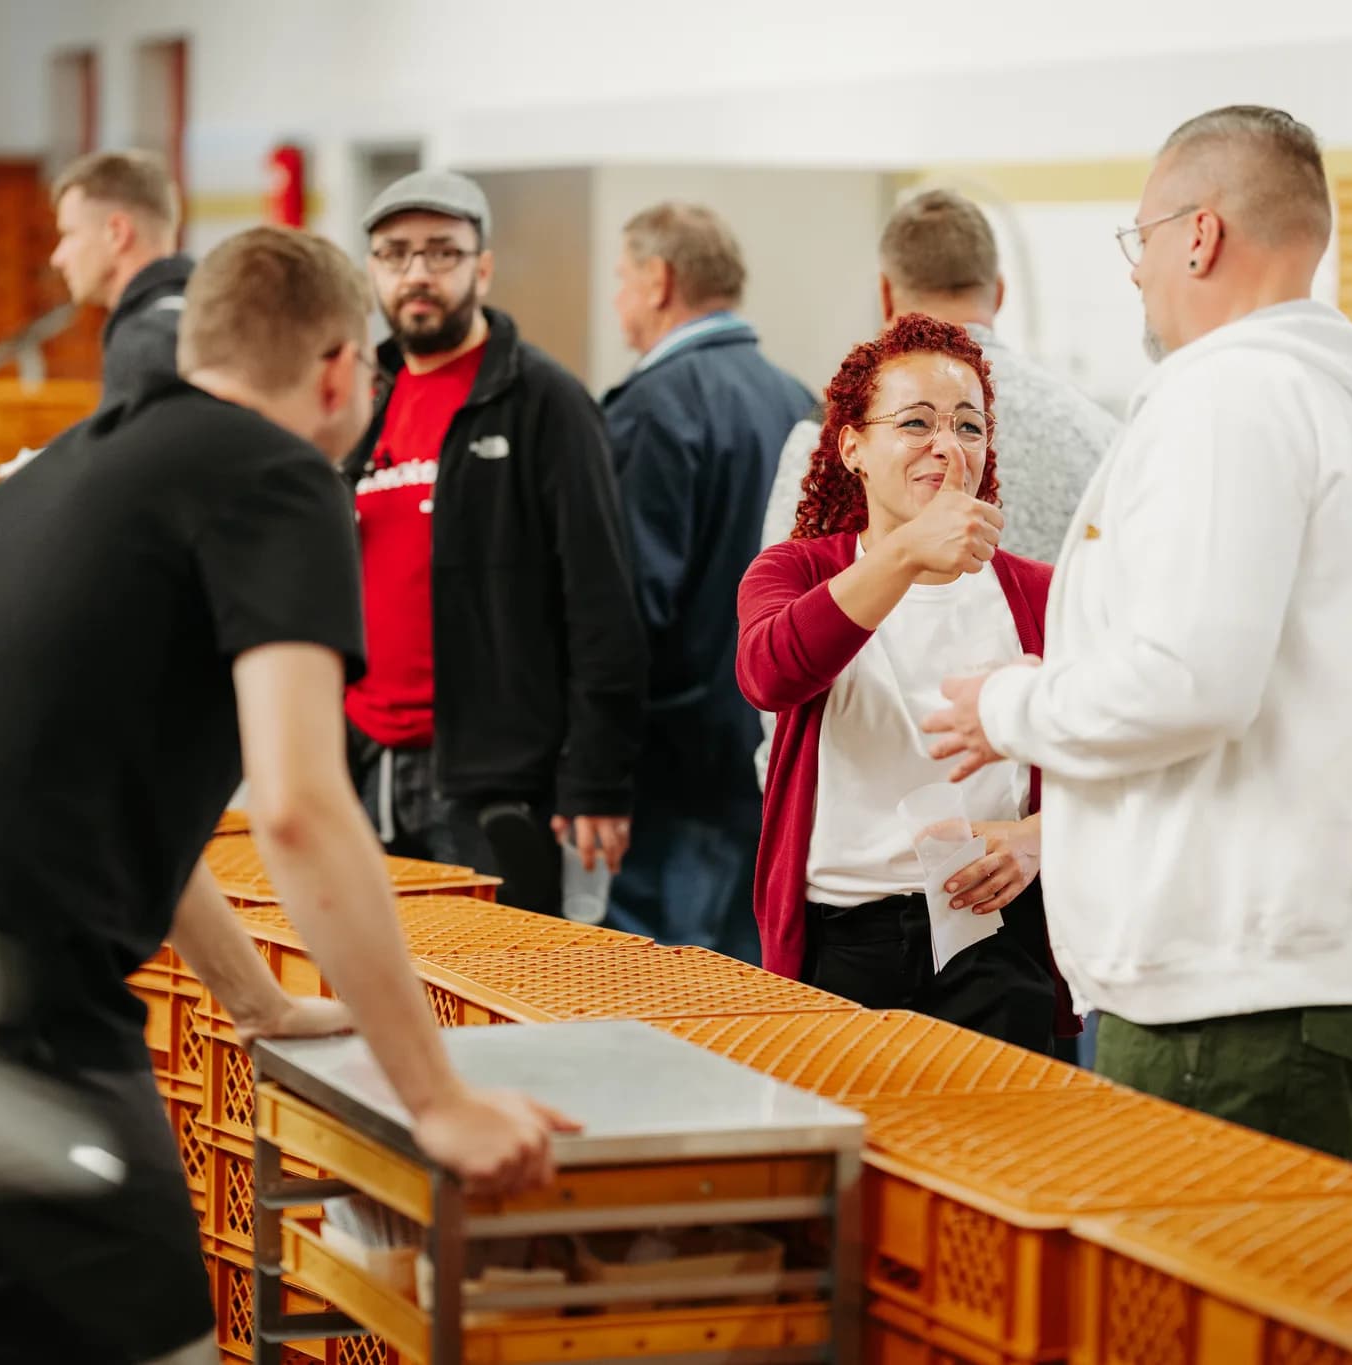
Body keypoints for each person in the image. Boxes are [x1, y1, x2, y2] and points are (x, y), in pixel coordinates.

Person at [0, 226, 575, 1364]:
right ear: (334, 370)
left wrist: (257, 1004)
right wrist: (439, 1103)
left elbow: (111, 805)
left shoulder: (75, 468)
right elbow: (302, 807)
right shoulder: (278, 475)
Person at [923, 105, 1352, 1187]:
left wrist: (1008, 704)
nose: (1135, 272)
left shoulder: (1226, 398)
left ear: (1198, 236)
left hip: (1254, 994)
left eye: (1140, 238)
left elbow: (1188, 680)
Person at [737, 315, 1058, 1054]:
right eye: (916, 422)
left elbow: (1128, 760)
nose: (948, 446)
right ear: (852, 446)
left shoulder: (1039, 594)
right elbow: (769, 673)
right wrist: (908, 550)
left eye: (969, 426)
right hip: (841, 943)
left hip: (995, 937)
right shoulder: (796, 571)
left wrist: (1041, 837)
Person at [344, 170, 645, 919]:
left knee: (491, 984)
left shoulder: (544, 401)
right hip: (367, 763)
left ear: (482, 267)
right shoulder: (358, 397)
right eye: (395, 254)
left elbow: (602, 599)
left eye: (441, 252)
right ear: (372, 269)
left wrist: (596, 779)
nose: (417, 273)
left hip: (494, 785)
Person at [603, 203, 813, 960]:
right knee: (748, 980)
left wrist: (595, 762)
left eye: (622, 279)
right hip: (769, 748)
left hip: (675, 768)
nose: (617, 299)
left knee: (659, 986)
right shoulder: (798, 400)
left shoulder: (653, 408)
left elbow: (630, 605)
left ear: (659, 281)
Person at [760, 187, 1119, 559]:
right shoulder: (1094, 429)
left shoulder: (834, 429)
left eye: (971, 427)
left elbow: (782, 574)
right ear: (999, 293)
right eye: (916, 423)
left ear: (885, 294)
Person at [49, 149, 195, 410]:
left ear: (117, 233)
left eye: (69, 234)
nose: (57, 258)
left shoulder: (148, 342)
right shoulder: (206, 313)